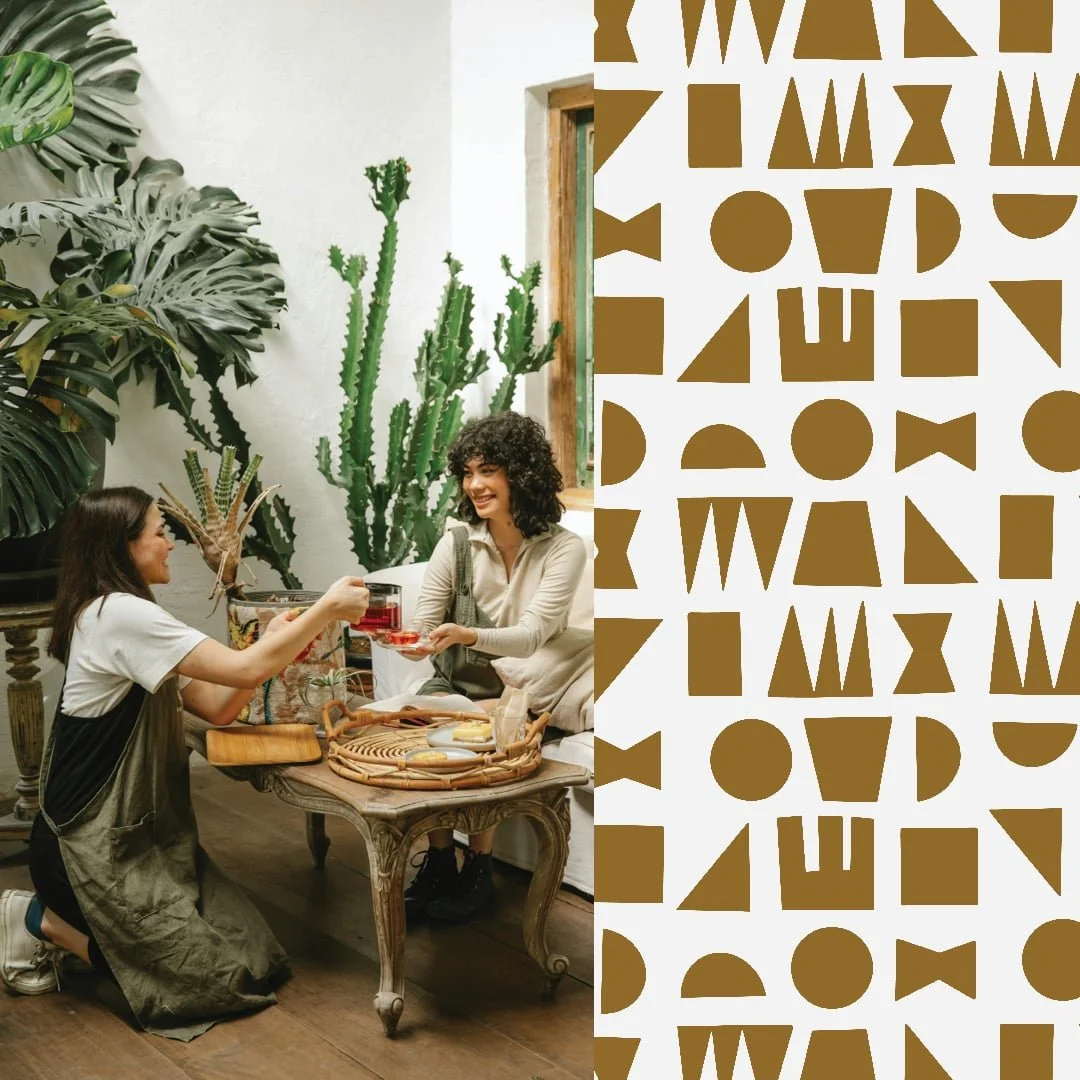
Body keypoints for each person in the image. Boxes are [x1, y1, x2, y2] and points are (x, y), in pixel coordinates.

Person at [0, 487, 369, 1041]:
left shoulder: (129, 613)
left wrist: (271, 642)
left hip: (141, 842)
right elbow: (244, 671)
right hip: (86, 850)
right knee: (210, 986)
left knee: (257, 960)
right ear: (123, 546)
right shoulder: (119, 614)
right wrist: (327, 609)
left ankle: (88, 931)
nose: (169, 543)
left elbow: (219, 704)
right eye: (158, 532)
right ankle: (39, 921)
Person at [401, 411, 586, 923]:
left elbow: (530, 638)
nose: (474, 485)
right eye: (468, 472)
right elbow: (424, 623)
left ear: (520, 474)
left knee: (479, 736)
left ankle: (478, 870)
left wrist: (466, 634)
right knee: (422, 726)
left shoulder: (564, 549)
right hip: (454, 680)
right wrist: (410, 642)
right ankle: (440, 860)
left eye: (488, 471)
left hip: (525, 691)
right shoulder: (457, 542)